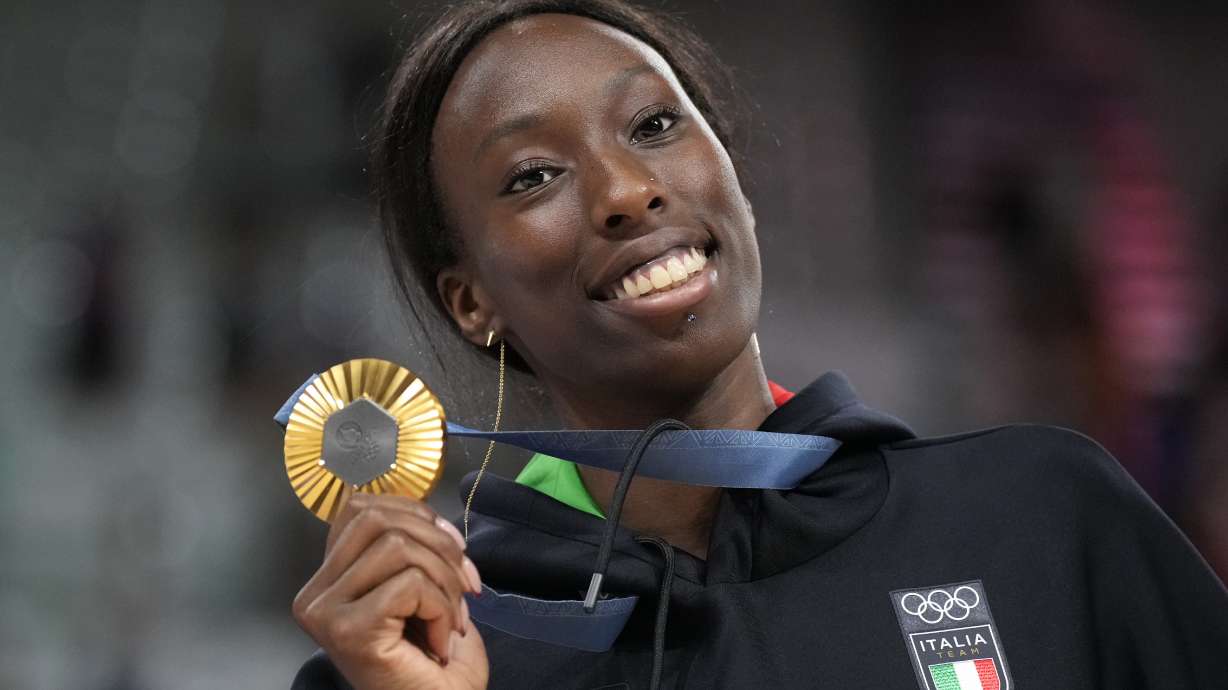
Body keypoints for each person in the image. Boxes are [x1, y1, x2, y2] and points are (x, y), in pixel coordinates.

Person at [289, 1, 1228, 688]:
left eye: (655, 126)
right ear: (471, 303)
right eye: (534, 176)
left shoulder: (1042, 518)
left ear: (732, 174)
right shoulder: (420, 650)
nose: (625, 190)